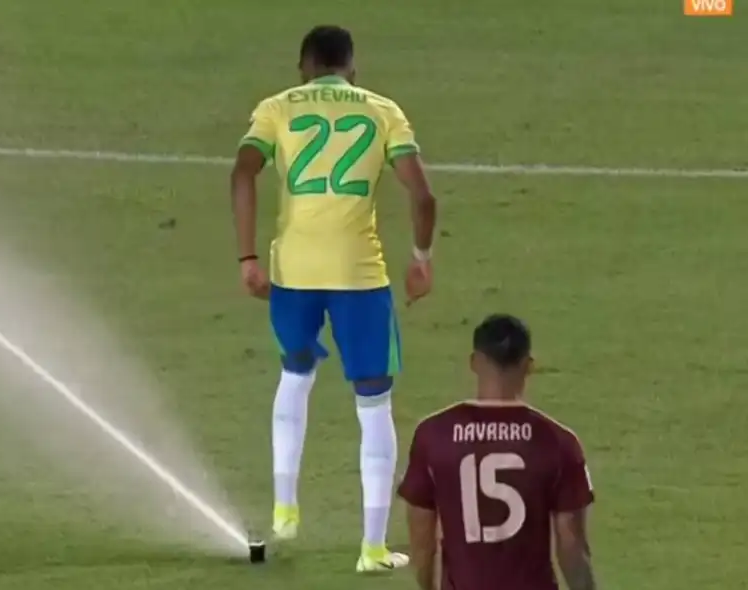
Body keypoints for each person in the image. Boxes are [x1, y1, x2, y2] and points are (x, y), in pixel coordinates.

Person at [229, 24, 438, 573]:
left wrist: (247, 258)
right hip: (358, 275)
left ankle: (285, 509)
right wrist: (420, 260)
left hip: (293, 270)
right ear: (353, 67)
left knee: (294, 376)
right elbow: (423, 195)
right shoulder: (382, 111)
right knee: (373, 404)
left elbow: (243, 173)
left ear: (303, 66)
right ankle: (372, 547)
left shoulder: (276, 108)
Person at [397, 314, 598, 590]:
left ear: (474, 363)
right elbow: (572, 546)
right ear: (528, 366)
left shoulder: (433, 435)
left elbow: (422, 542)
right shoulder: (558, 442)